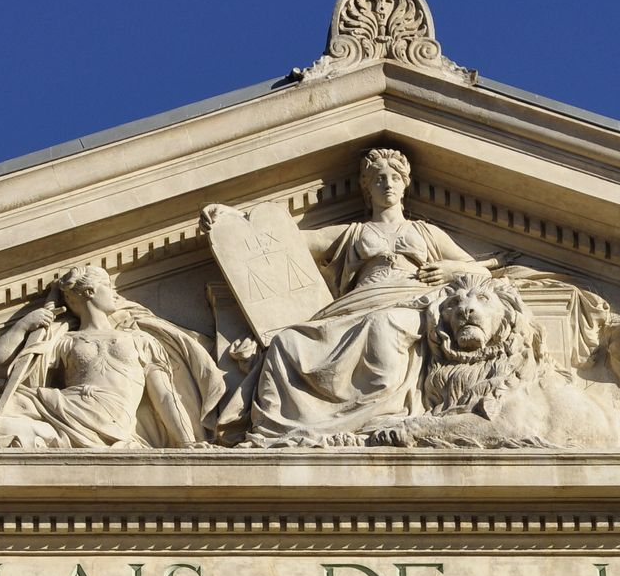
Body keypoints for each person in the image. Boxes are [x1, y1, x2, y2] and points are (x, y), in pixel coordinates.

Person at [206, 147, 498, 444]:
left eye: (395, 177)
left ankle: (377, 416)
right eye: (379, 178)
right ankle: (275, 428)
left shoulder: (425, 232)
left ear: (405, 184)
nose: (387, 183)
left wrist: (452, 270)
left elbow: (482, 274)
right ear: (367, 188)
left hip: (407, 304)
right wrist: (233, 219)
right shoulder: (353, 232)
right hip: (356, 307)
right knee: (287, 342)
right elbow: (281, 238)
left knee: (381, 324)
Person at [0, 264, 220, 448]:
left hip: (103, 425)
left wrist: (187, 444)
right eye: (109, 287)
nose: (115, 294)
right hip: (53, 405)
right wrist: (24, 325)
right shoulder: (62, 340)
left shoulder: (140, 341)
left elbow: (165, 395)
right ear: (90, 292)